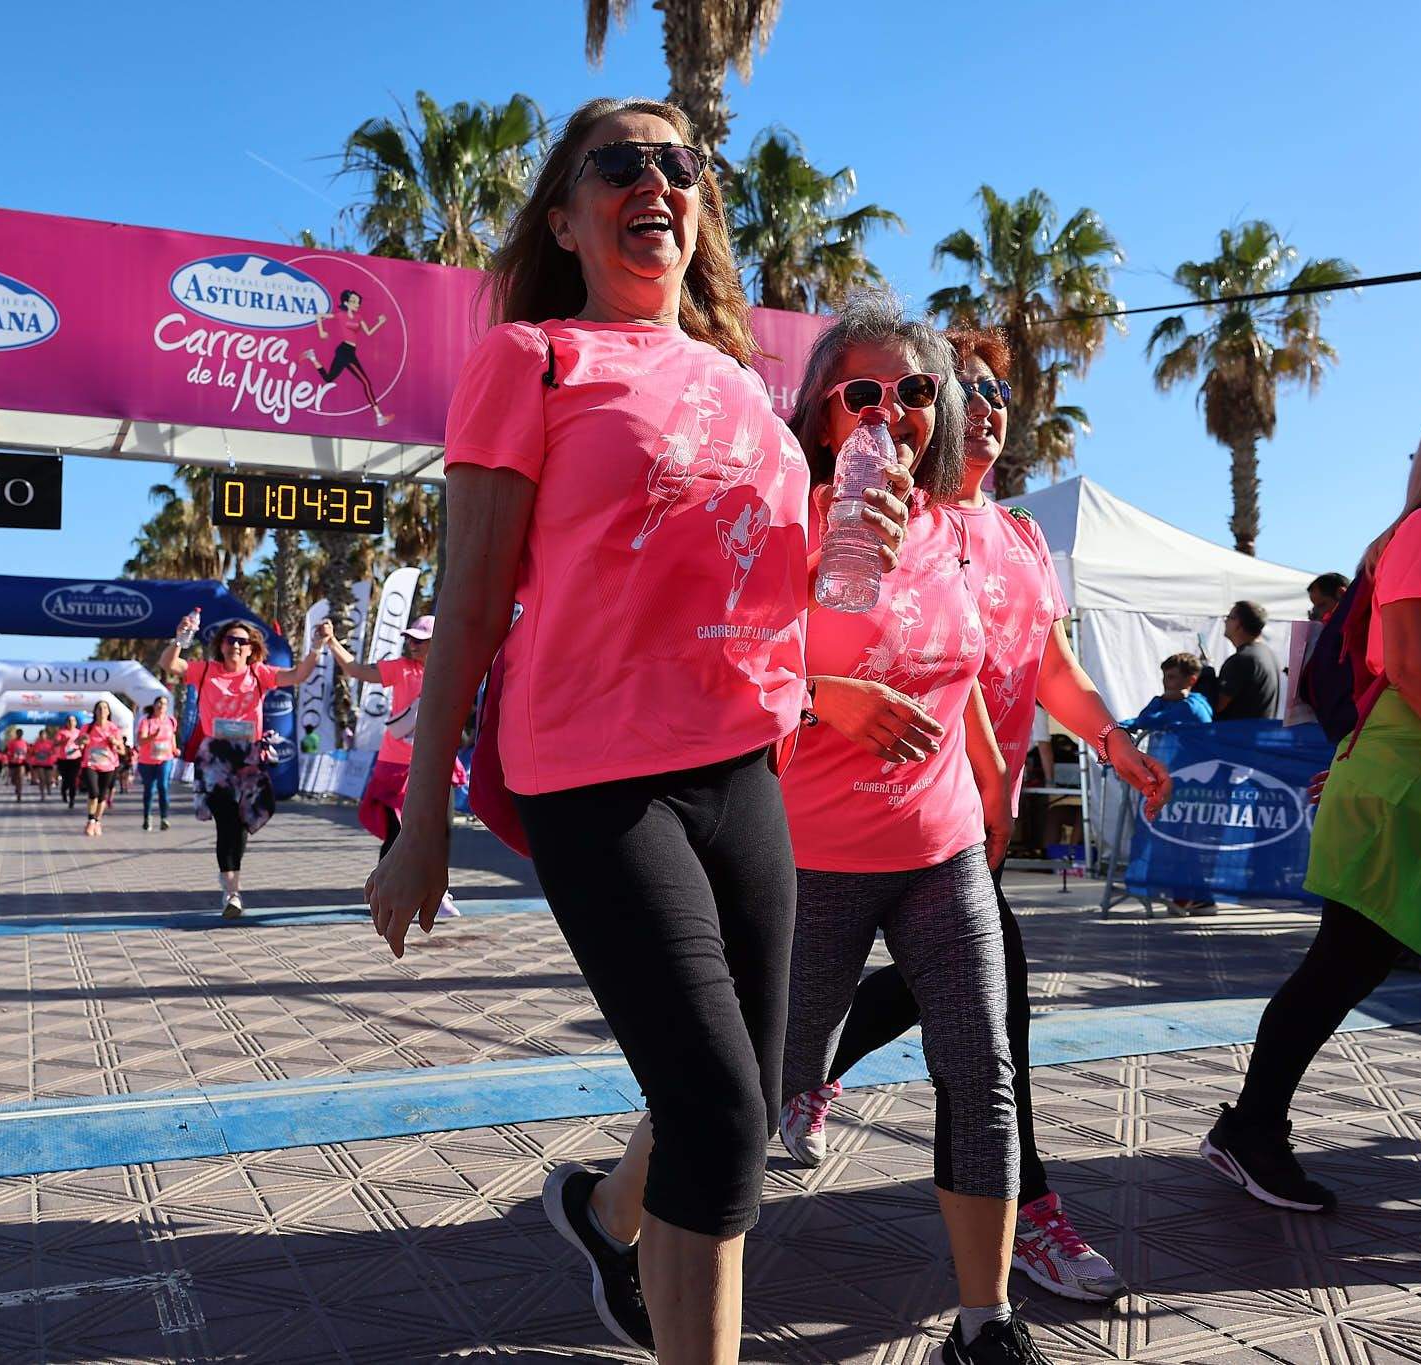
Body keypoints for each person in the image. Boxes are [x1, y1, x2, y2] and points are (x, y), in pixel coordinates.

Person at [362, 98, 906, 1364]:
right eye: (619, 163)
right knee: (719, 1119)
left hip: (741, 771)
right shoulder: (533, 361)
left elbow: (760, 607)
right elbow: (473, 600)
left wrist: (844, 580)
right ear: (565, 214)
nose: (655, 181)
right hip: (596, 778)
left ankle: (608, 1217)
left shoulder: (740, 391)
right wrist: (421, 819)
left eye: (680, 164)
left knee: (743, 1093)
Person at [792, 323, 1171, 1308]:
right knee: (969, 1014)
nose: (986, 407)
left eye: (996, 393)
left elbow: (1047, 668)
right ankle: (685, 1162)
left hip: (958, 829)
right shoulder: (858, 514)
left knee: (977, 1029)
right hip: (853, 825)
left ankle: (1004, 1248)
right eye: (964, 388)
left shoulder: (1014, 537)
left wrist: (1111, 746)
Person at [1204, 376, 1421, 1212]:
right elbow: (1413, 666)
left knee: (1354, 963)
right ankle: (1249, 1132)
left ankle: (1248, 1129)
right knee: (1343, 964)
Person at [771, 291, 1051, 1363]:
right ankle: (616, 1220)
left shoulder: (949, 532)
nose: (891, 410)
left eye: (915, 390)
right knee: (765, 1080)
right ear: (824, 410)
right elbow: (722, 667)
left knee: (979, 1070)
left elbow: (962, 678)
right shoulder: (788, 515)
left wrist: (991, 786)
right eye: (862, 391)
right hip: (815, 858)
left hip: (937, 852)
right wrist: (822, 695)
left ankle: (984, 1326)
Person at [156, 614, 323, 916]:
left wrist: (318, 647)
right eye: (230, 640)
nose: (235, 645)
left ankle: (231, 883)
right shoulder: (206, 671)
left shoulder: (260, 674)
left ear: (251, 649)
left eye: (242, 642)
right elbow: (170, 664)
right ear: (220, 646)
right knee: (226, 823)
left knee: (244, 822)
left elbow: (298, 675)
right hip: (215, 760)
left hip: (248, 759)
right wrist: (180, 639)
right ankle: (232, 892)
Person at [323, 613, 463, 919]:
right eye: (409, 639)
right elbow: (355, 670)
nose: (412, 645)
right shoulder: (400, 669)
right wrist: (332, 642)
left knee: (442, 832)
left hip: (438, 763)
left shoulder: (453, 670)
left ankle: (438, 894)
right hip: (396, 766)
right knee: (396, 833)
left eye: (419, 640)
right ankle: (382, 890)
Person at [302, 289, 395, 428]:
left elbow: (369, 332)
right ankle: (379, 416)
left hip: (349, 351)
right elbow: (319, 315)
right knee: (366, 382)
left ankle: (312, 356)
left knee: (328, 378)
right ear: (346, 303)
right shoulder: (341, 315)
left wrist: (380, 322)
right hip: (345, 351)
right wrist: (321, 331)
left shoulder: (359, 317)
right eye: (353, 301)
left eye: (358, 301)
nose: (357, 304)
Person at [1215, 601, 1282, 720]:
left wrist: (1205, 679)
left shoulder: (1242, 659)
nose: (1225, 621)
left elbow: (1217, 705)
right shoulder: (1267, 654)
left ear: (1239, 624)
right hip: (1258, 734)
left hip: (1238, 735)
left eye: (1229, 617)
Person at [1127, 652, 1217, 729]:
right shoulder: (1174, 702)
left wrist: (1160, 699)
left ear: (1191, 680)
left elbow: (1144, 722)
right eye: (1164, 676)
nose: (1164, 682)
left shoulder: (1191, 706)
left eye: (1171, 677)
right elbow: (1137, 721)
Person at [78, 700, 126, 836]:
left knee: (102, 795)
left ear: (109, 712)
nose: (102, 710)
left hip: (108, 765)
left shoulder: (113, 729)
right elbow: (78, 742)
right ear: (95, 712)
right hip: (90, 764)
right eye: (99, 708)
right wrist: (83, 741)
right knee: (93, 792)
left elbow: (122, 751)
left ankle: (97, 821)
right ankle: (90, 820)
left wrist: (115, 742)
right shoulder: (87, 728)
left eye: (105, 708)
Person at [135, 695, 177, 831]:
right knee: (149, 789)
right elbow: (140, 741)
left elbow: (172, 736)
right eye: (159, 703)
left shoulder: (171, 721)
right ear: (154, 705)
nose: (161, 706)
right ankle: (147, 817)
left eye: (164, 704)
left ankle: (164, 818)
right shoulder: (146, 721)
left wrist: (175, 748)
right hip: (147, 761)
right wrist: (153, 736)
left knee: (163, 786)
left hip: (165, 759)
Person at [54, 713, 84, 808]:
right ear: (66, 722)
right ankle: (63, 790)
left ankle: (72, 799)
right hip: (63, 759)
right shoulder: (61, 732)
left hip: (75, 759)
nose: (71, 722)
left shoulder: (79, 732)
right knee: (66, 779)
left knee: (73, 779)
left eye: (73, 721)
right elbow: (55, 744)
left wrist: (81, 746)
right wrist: (64, 741)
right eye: (69, 721)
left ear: (76, 722)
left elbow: (83, 743)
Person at [29, 727, 57, 798]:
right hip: (39, 763)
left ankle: (48, 788)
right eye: (41, 735)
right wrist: (35, 753)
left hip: (48, 763)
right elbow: (31, 753)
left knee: (48, 779)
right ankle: (42, 794)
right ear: (39, 736)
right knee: (42, 779)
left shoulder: (50, 743)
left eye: (44, 735)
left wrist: (51, 753)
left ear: (46, 735)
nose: (42, 736)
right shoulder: (36, 744)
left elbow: (55, 752)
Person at [2, 727, 29, 801]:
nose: (20, 735)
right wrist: (9, 754)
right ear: (16, 734)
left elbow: (29, 752)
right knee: (13, 779)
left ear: (22, 734)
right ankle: (16, 786)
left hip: (22, 762)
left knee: (20, 778)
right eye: (18, 733)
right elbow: (4, 751)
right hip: (13, 762)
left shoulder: (25, 742)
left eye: (21, 734)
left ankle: (19, 794)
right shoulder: (11, 742)